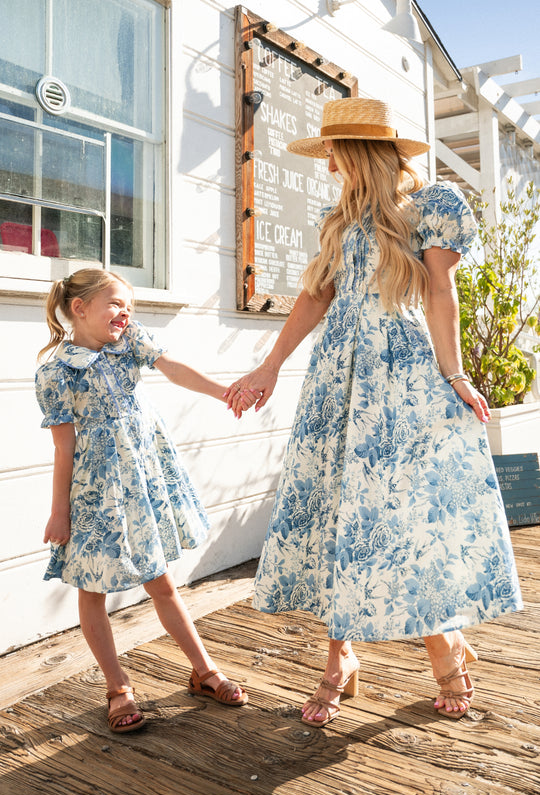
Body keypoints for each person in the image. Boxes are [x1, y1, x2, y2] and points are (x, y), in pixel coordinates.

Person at [226, 97, 523, 726]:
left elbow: (441, 291)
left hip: (404, 373)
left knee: (405, 508)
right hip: (338, 377)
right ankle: (341, 659)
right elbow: (314, 298)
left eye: (333, 151)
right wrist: (269, 366)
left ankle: (446, 648)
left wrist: (457, 374)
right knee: (341, 509)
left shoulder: (431, 206)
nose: (328, 164)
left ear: (358, 152)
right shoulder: (337, 220)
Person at [36, 268, 252, 733]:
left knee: (161, 581)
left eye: (129, 307)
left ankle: (203, 670)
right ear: (80, 308)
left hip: (141, 480)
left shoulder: (129, 341)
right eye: (116, 304)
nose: (125, 313)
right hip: (95, 491)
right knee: (91, 589)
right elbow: (63, 447)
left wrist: (223, 392)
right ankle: (118, 687)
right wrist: (60, 511)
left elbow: (171, 368)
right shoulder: (55, 372)